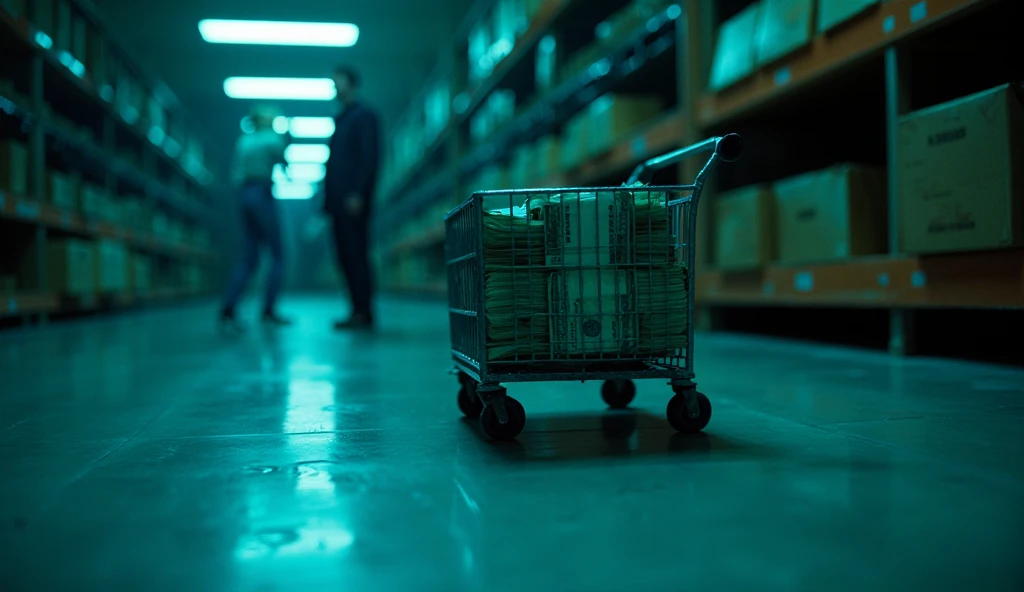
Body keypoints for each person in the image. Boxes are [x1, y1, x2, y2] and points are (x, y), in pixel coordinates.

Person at [219, 105, 292, 331]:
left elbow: (235, 175)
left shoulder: (243, 141)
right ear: (262, 119)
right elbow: (284, 161)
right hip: (262, 193)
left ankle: (228, 307)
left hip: (245, 196)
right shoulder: (271, 138)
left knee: (250, 257)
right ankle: (268, 310)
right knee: (278, 254)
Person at [324, 65, 380, 331]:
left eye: (340, 82)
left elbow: (369, 158)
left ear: (353, 85)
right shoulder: (341, 119)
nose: (335, 87)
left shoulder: (364, 116)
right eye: (333, 83)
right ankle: (355, 310)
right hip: (337, 203)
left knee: (356, 255)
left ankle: (364, 312)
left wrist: (359, 193)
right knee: (344, 257)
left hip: (353, 202)